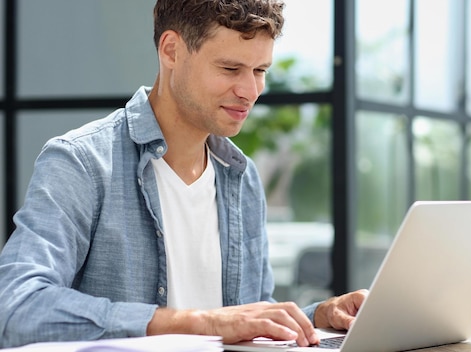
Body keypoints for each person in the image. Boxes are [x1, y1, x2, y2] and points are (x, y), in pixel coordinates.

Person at [0, 0, 367, 348]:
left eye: (260, 71)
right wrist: (201, 323)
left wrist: (317, 316)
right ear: (171, 50)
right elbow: (17, 309)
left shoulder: (241, 177)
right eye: (230, 69)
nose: (250, 91)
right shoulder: (82, 163)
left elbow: (246, 318)